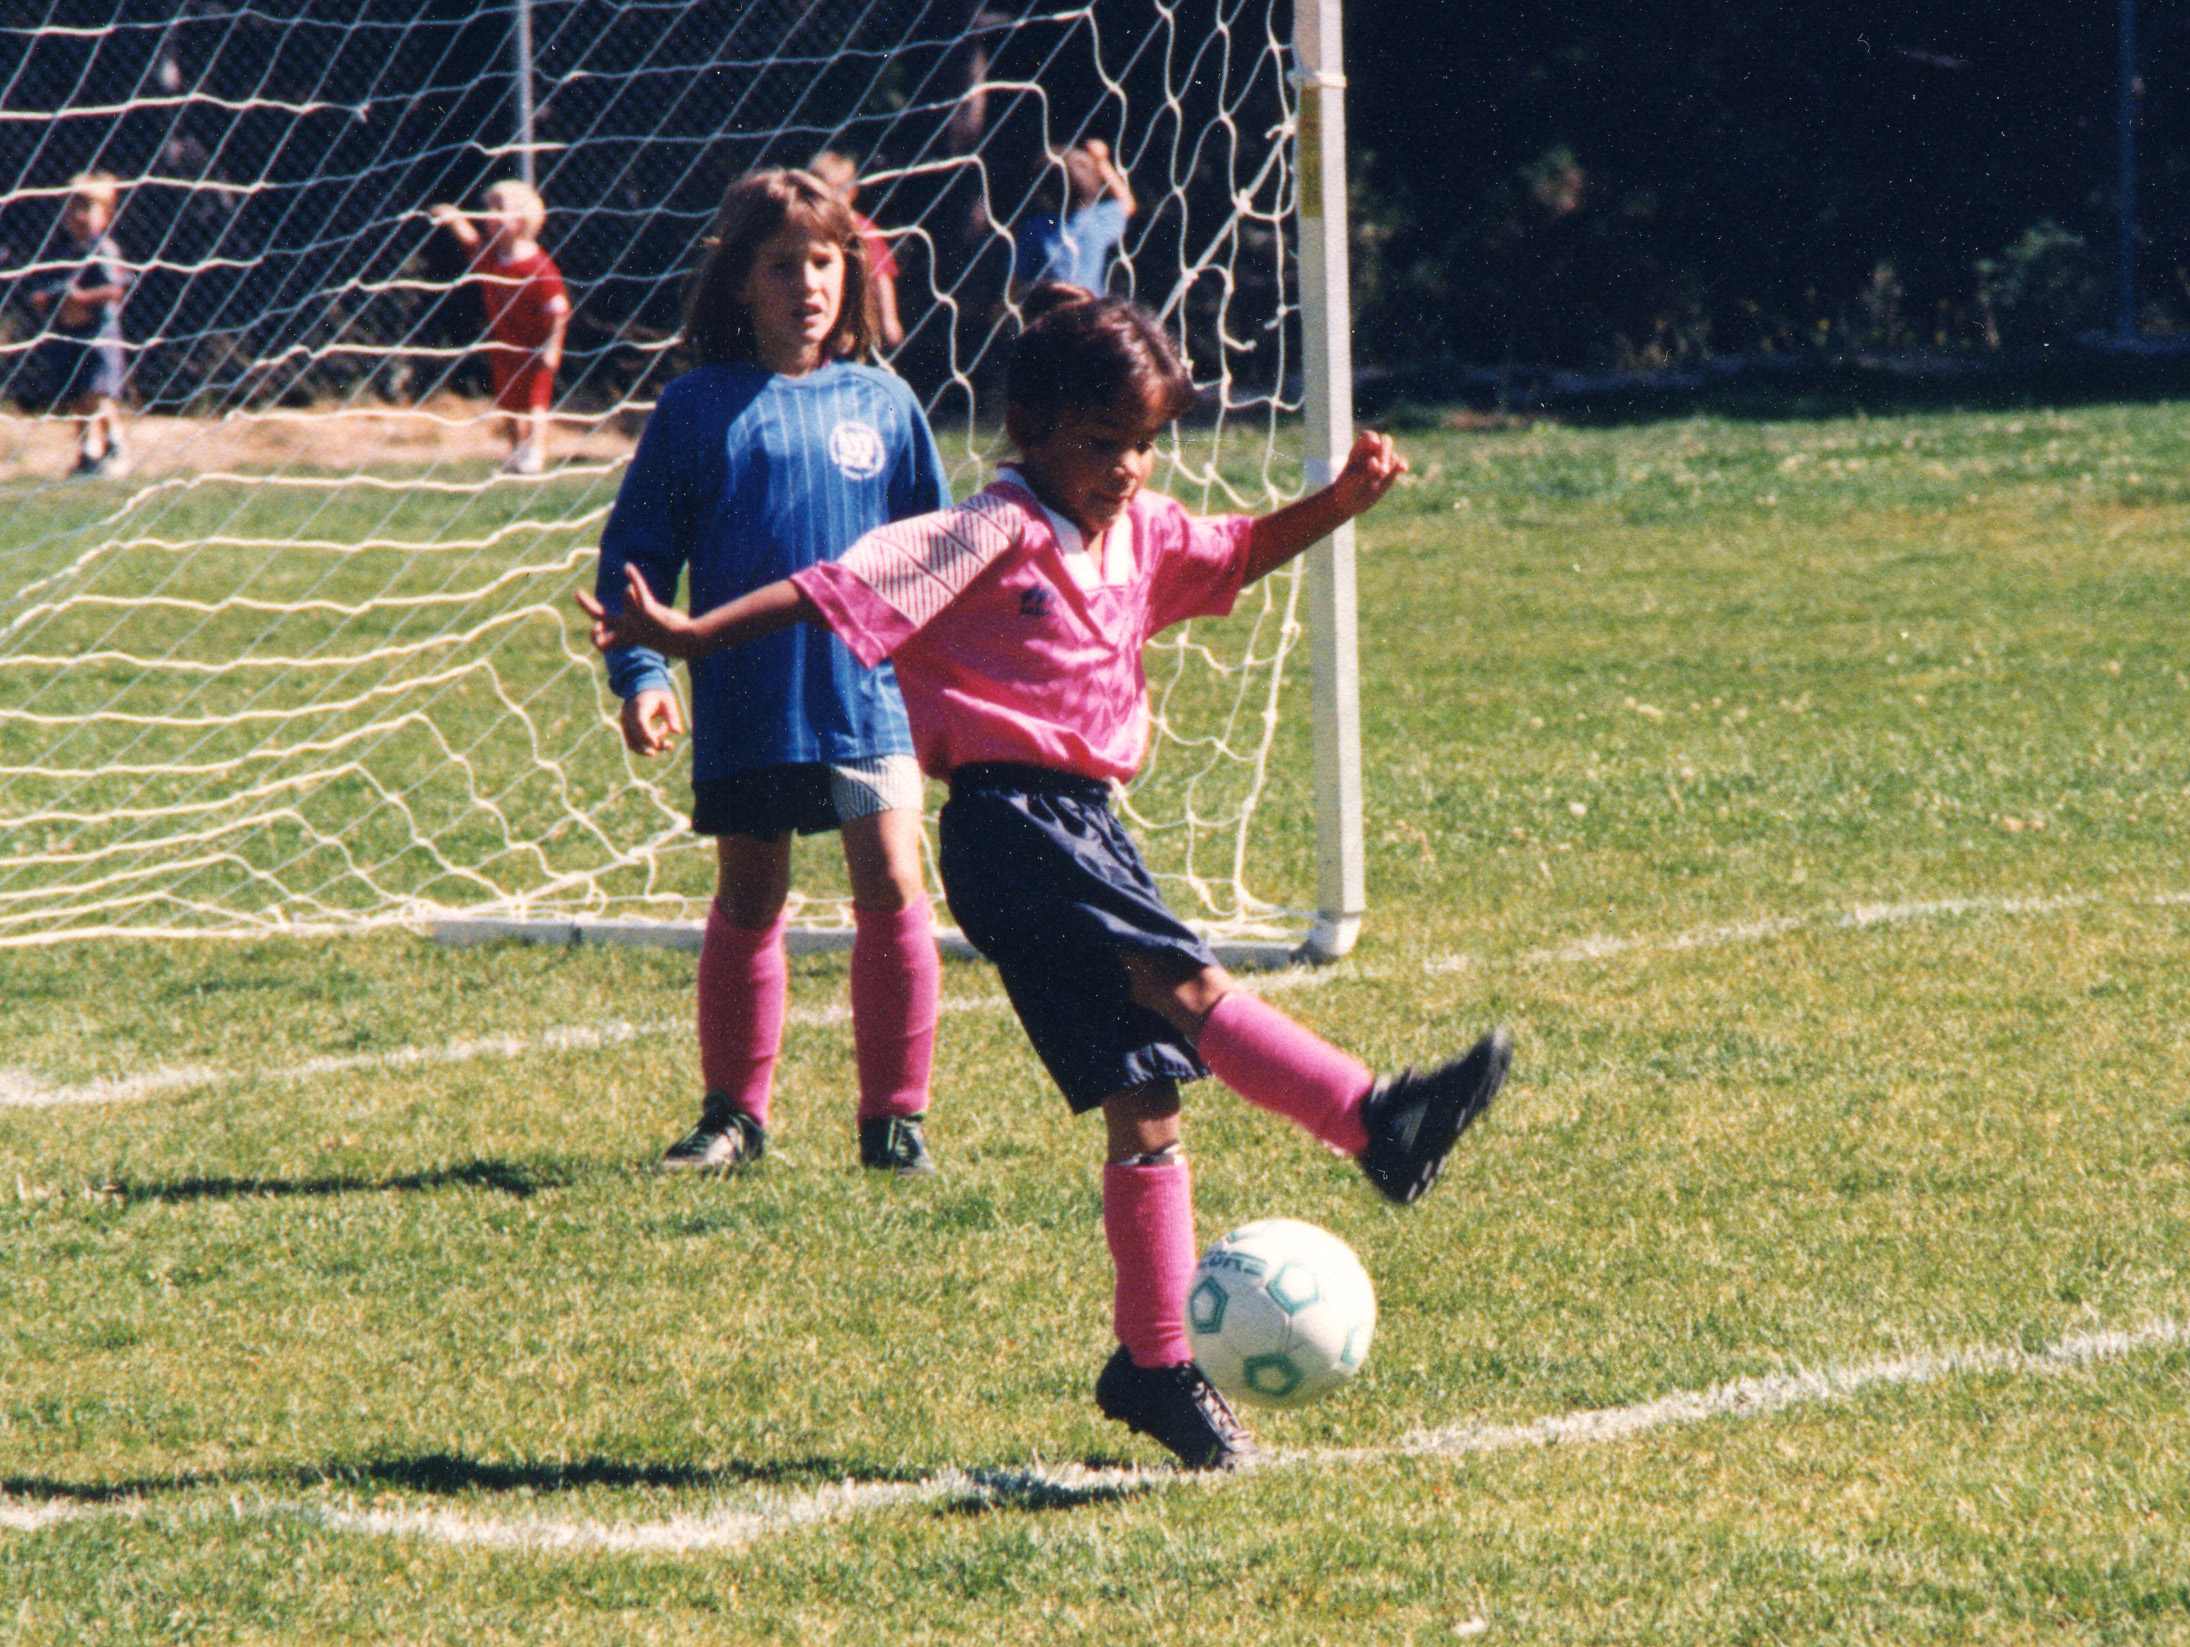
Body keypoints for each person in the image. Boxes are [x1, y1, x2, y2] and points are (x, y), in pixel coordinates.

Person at [577, 283, 1513, 1471]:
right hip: (1011, 824)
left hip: (1089, 826)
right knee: (1185, 987)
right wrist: (695, 639)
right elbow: (837, 587)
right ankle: (1373, 1119)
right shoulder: (991, 530)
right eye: (1098, 443)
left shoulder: (1146, 531)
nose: (1125, 467)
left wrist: (1334, 503)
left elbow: (1237, 553)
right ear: (1030, 431)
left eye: (1143, 443)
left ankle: (1156, 1367)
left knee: (1149, 1108)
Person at [590, 168, 952, 1178]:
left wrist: (952, 690)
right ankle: (734, 1117)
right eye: (782, 265)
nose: (807, 284)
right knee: (751, 897)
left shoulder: (886, 406)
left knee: (889, 882)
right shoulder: (697, 409)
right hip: (749, 702)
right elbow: (637, 563)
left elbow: (940, 561)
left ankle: (894, 1121)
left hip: (866, 702)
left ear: (851, 273)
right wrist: (645, 674)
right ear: (739, 282)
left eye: (825, 263)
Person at [429, 180, 569, 475]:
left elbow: (558, 311)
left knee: (533, 404)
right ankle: (515, 453)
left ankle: (534, 452)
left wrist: (552, 349)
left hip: (535, 347)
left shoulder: (538, 267)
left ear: (521, 222)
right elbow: (470, 242)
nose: (488, 215)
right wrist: (454, 218)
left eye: (498, 209)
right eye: (488, 208)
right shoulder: (493, 257)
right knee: (508, 402)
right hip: (504, 342)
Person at [28, 173, 133, 478]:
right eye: (72, 208)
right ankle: (88, 454)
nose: (78, 216)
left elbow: (115, 289)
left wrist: (82, 298)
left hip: (98, 335)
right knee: (77, 395)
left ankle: (115, 446)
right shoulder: (65, 253)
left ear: (106, 214)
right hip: (70, 335)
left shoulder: (104, 250)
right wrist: (47, 298)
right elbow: (51, 288)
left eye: (87, 208)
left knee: (97, 394)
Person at [1011, 139, 1135, 297]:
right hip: (1092, 310)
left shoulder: (1036, 228)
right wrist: (1102, 162)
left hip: (1048, 310)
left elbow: (1019, 278)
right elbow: (1127, 203)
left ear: (1045, 192)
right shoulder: (1099, 221)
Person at [810, 151, 905, 352]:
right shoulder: (810, 228)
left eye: (838, 193)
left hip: (858, 310)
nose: (831, 203)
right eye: (822, 195)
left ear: (852, 193)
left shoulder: (863, 230)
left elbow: (882, 277)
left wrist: (890, 319)